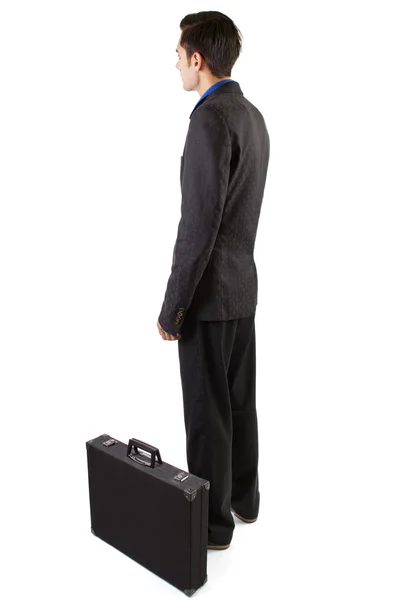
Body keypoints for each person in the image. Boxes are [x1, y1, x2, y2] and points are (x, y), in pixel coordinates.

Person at [157, 11, 270, 550]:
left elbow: (197, 226)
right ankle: (244, 503)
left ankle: (212, 527)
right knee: (239, 401)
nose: (176, 63)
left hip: (206, 296)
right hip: (242, 289)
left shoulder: (209, 119)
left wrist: (172, 308)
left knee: (208, 414)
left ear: (198, 59)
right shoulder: (252, 115)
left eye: (179, 55)